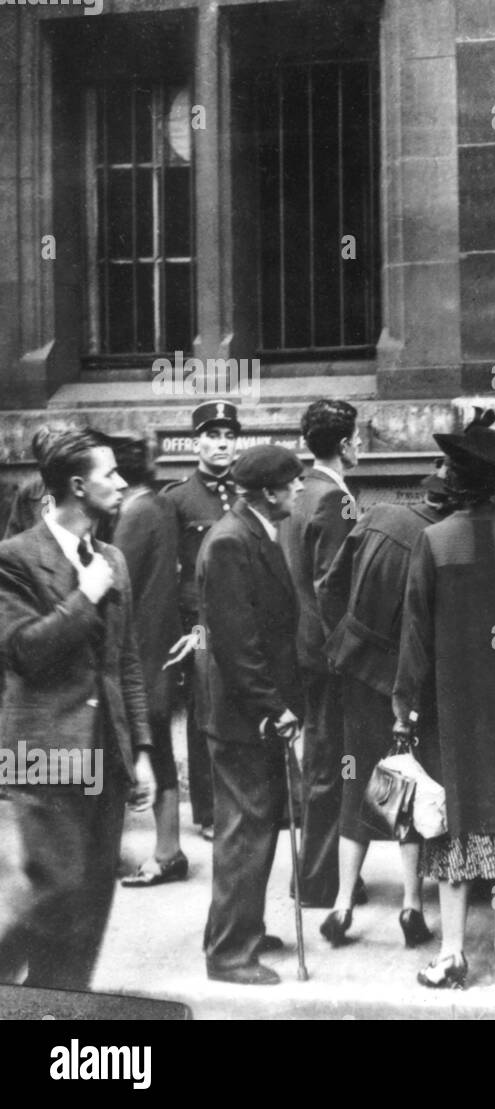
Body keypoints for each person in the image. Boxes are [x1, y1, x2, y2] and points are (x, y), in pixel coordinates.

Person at [394, 409, 495, 989]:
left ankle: (454, 954)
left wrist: (402, 710)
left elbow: (415, 637)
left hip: (451, 709)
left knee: (452, 827)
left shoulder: (432, 542)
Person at [0, 429, 156, 989]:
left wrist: (140, 749)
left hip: (104, 756)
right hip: (43, 754)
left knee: (89, 906)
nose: (120, 483)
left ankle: (61, 1011)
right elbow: (24, 652)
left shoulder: (112, 558)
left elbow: (127, 662)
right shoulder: (15, 559)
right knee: (54, 895)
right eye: (109, 474)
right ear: (75, 485)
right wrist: (83, 597)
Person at [315, 472, 451, 948]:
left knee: (359, 783)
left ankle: (341, 904)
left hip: (357, 671)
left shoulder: (377, 516)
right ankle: (412, 906)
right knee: (407, 787)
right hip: (410, 684)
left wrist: (347, 640)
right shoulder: (443, 541)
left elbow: (329, 588)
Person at [198, 444, 305, 985]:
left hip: (251, 713)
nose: (300, 489)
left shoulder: (250, 533)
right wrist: (274, 707)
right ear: (269, 491)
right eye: (294, 482)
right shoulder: (230, 542)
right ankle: (228, 954)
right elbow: (239, 645)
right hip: (245, 716)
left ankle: (242, 930)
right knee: (244, 833)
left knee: (256, 826)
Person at [278, 399, 361, 909]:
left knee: (320, 762)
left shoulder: (300, 491)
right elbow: (334, 585)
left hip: (300, 646)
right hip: (327, 653)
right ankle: (316, 883)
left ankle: (313, 873)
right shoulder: (336, 500)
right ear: (348, 444)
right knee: (329, 765)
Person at [161, 401, 242, 841]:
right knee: (203, 709)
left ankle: (244, 799)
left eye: (229, 436)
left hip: (241, 615)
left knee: (243, 704)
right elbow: (169, 569)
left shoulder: (245, 491)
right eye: (213, 436)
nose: (222, 444)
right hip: (198, 621)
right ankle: (209, 810)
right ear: (197, 442)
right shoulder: (177, 498)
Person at [113, 433, 188, 889]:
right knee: (158, 750)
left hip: (138, 654)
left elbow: (118, 587)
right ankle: (168, 849)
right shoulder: (160, 506)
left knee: (147, 752)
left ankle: (164, 853)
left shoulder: (135, 514)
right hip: (160, 647)